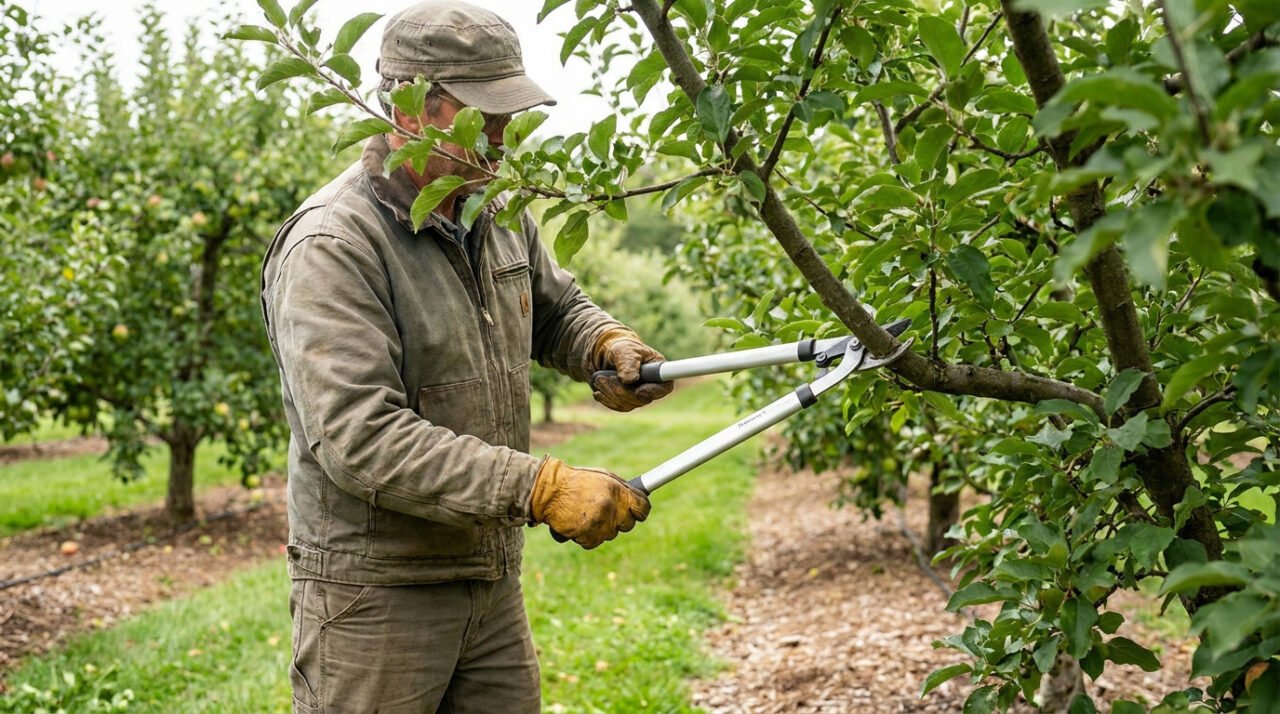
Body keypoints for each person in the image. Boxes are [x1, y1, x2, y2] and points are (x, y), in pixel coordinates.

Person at [258, 2, 674, 711]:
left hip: (486, 578)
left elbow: (556, 310)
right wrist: (537, 488)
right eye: (484, 116)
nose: (504, 135)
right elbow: (359, 437)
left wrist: (606, 342)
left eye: (508, 114)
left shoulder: (494, 209)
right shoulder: (334, 245)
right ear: (410, 108)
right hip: (377, 594)